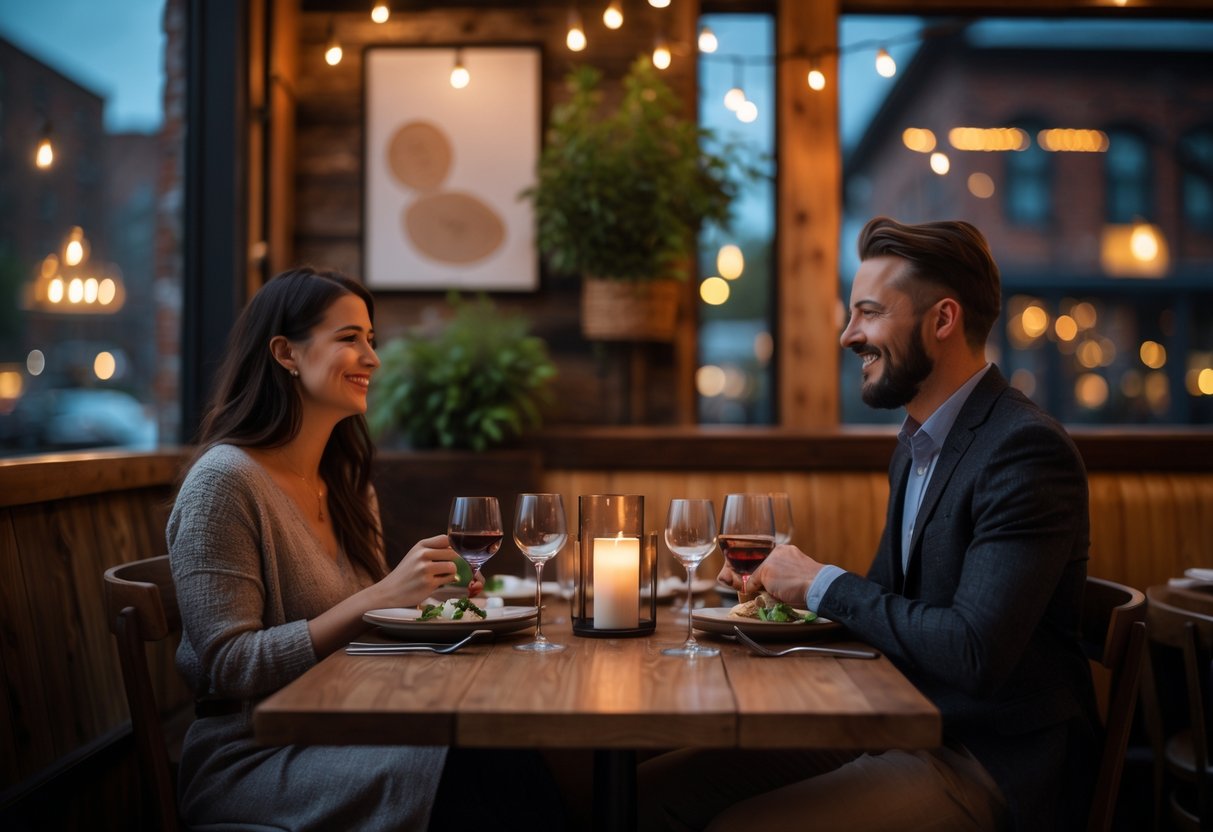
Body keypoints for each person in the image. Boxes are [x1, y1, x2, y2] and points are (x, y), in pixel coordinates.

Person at [639, 217, 1098, 831]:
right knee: (648, 794)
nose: (847, 335)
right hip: (901, 722)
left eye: (869, 313)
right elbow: (886, 606)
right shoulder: (915, 446)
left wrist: (821, 581)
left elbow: (972, 651)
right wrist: (780, 592)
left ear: (942, 320)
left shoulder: (1023, 451)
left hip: (984, 757)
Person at [168, 267, 561, 830]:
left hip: (348, 724)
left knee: (504, 748)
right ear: (286, 353)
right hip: (255, 755)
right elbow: (229, 668)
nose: (372, 358)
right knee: (476, 768)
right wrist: (379, 596)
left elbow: (367, 626)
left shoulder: (346, 484)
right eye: (349, 338)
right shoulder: (224, 484)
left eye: (370, 339)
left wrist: (426, 597)